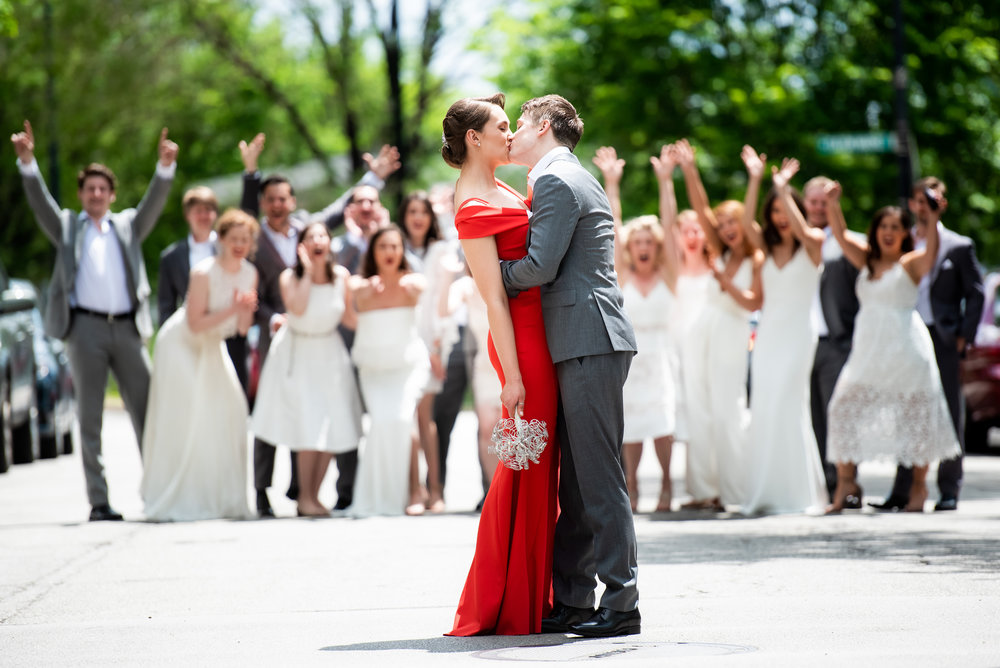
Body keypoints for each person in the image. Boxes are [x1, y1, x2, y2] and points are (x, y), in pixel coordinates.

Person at [502, 94, 639, 638]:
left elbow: (538, 266)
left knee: (599, 478)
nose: (511, 133)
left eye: (517, 124)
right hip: (584, 337)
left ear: (542, 126)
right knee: (579, 482)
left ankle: (621, 603)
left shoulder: (556, 180)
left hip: (589, 337)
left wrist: (488, 276)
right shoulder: (570, 175)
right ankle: (578, 599)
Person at [11, 121, 177, 522]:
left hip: (127, 328)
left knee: (149, 409)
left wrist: (165, 167)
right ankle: (99, 500)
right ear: (82, 195)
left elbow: (153, 204)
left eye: (103, 189)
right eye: (90, 189)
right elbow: (40, 205)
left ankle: (158, 491)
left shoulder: (127, 226)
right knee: (90, 416)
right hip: (84, 330)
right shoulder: (68, 227)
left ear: (112, 195)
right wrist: (28, 163)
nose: (97, 195)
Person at [442, 93, 559, 636]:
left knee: (540, 470)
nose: (510, 135)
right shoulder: (472, 204)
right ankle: (508, 598)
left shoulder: (499, 185)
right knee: (525, 468)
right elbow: (493, 298)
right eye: (502, 126)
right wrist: (512, 376)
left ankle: (541, 591)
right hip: (520, 343)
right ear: (474, 138)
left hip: (538, 333)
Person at [239, 134, 398, 516]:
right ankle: (261, 490)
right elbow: (257, 292)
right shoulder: (254, 238)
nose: (278, 205)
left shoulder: (309, 231)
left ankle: (305, 490)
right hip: (278, 332)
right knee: (273, 412)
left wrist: (373, 179)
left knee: (317, 411)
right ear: (263, 203)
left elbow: (344, 205)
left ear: (293, 201)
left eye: (283, 198)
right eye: (270, 199)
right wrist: (249, 173)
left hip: (322, 336)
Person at [824, 183, 961, 513]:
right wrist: (832, 204)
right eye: (883, 226)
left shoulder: (911, 263)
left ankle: (918, 488)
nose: (888, 232)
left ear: (904, 234)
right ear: (875, 231)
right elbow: (841, 236)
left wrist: (931, 215)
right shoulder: (865, 261)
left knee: (917, 416)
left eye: (895, 227)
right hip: (868, 351)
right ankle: (846, 484)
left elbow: (931, 253)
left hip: (906, 350)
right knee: (842, 408)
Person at [873, 177, 984, 512]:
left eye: (930, 201)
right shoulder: (901, 243)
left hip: (941, 336)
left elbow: (976, 293)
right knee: (907, 413)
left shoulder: (958, 245)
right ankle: (902, 490)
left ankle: (949, 488)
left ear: (942, 204)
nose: (923, 207)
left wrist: (965, 334)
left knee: (949, 412)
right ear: (911, 204)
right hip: (905, 337)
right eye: (919, 201)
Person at [141, 209, 258, 521]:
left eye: (245, 240)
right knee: (188, 414)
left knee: (232, 407)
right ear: (221, 239)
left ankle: (219, 495)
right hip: (181, 345)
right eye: (234, 239)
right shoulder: (203, 272)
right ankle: (180, 492)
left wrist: (245, 310)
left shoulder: (249, 273)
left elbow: (243, 329)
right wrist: (233, 307)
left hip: (213, 344)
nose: (239, 245)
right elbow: (194, 324)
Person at [737, 148, 828, 515]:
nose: (780, 217)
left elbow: (805, 230)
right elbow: (745, 224)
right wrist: (757, 180)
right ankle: (765, 491)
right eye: (774, 210)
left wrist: (783, 188)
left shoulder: (814, 243)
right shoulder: (765, 248)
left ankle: (797, 494)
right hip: (769, 336)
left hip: (798, 336)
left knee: (789, 405)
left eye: (786, 209)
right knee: (765, 406)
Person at [251, 222, 363, 518]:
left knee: (334, 425)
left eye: (322, 236)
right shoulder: (291, 277)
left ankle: (313, 494)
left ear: (329, 243)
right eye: (310, 237)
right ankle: (305, 497)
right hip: (298, 354)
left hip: (330, 352)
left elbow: (350, 318)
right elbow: (297, 309)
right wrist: (309, 271)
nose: (317, 241)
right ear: (302, 245)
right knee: (308, 426)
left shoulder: (342, 277)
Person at [675, 139, 763, 512]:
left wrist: (754, 180)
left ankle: (734, 491)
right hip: (701, 331)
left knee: (728, 407)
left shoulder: (755, 258)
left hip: (731, 330)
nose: (727, 228)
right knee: (699, 407)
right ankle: (703, 490)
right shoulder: (720, 251)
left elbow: (753, 302)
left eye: (733, 222)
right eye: (722, 222)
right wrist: (690, 170)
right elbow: (699, 207)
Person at [593, 145, 678, 514]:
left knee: (662, 421)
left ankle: (666, 485)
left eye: (649, 242)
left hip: (662, 356)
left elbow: (672, 226)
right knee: (632, 423)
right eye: (637, 241)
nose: (643, 246)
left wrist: (666, 182)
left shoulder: (669, 274)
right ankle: (632, 487)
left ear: (656, 247)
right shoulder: (623, 274)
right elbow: (613, 224)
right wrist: (612, 183)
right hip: (631, 355)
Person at [348, 225, 430, 517]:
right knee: (383, 423)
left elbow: (423, 284)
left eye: (395, 246)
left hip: (406, 367)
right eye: (383, 246)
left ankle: (414, 491)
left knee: (402, 419)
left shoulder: (412, 282)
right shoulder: (361, 286)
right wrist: (363, 288)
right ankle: (382, 493)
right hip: (374, 369)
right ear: (373, 251)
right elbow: (349, 297)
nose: (389, 252)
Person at [158, 187, 251, 393]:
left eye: (208, 210)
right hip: (190, 337)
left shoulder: (231, 246)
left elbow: (248, 219)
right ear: (187, 214)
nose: (203, 215)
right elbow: (166, 305)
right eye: (198, 210)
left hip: (228, 338)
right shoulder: (171, 256)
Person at [803, 175, 860, 500]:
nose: (819, 208)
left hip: (836, 341)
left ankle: (847, 483)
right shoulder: (795, 238)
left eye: (825, 202)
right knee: (811, 415)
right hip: (802, 340)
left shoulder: (846, 241)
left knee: (839, 414)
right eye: (814, 201)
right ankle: (822, 484)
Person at [400, 191, 449, 513]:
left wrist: (434, 347)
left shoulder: (441, 251)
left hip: (432, 340)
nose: (418, 217)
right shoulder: (395, 248)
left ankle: (436, 489)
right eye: (412, 211)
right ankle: (412, 491)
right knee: (406, 417)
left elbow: (439, 306)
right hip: (400, 341)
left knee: (425, 418)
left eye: (424, 211)